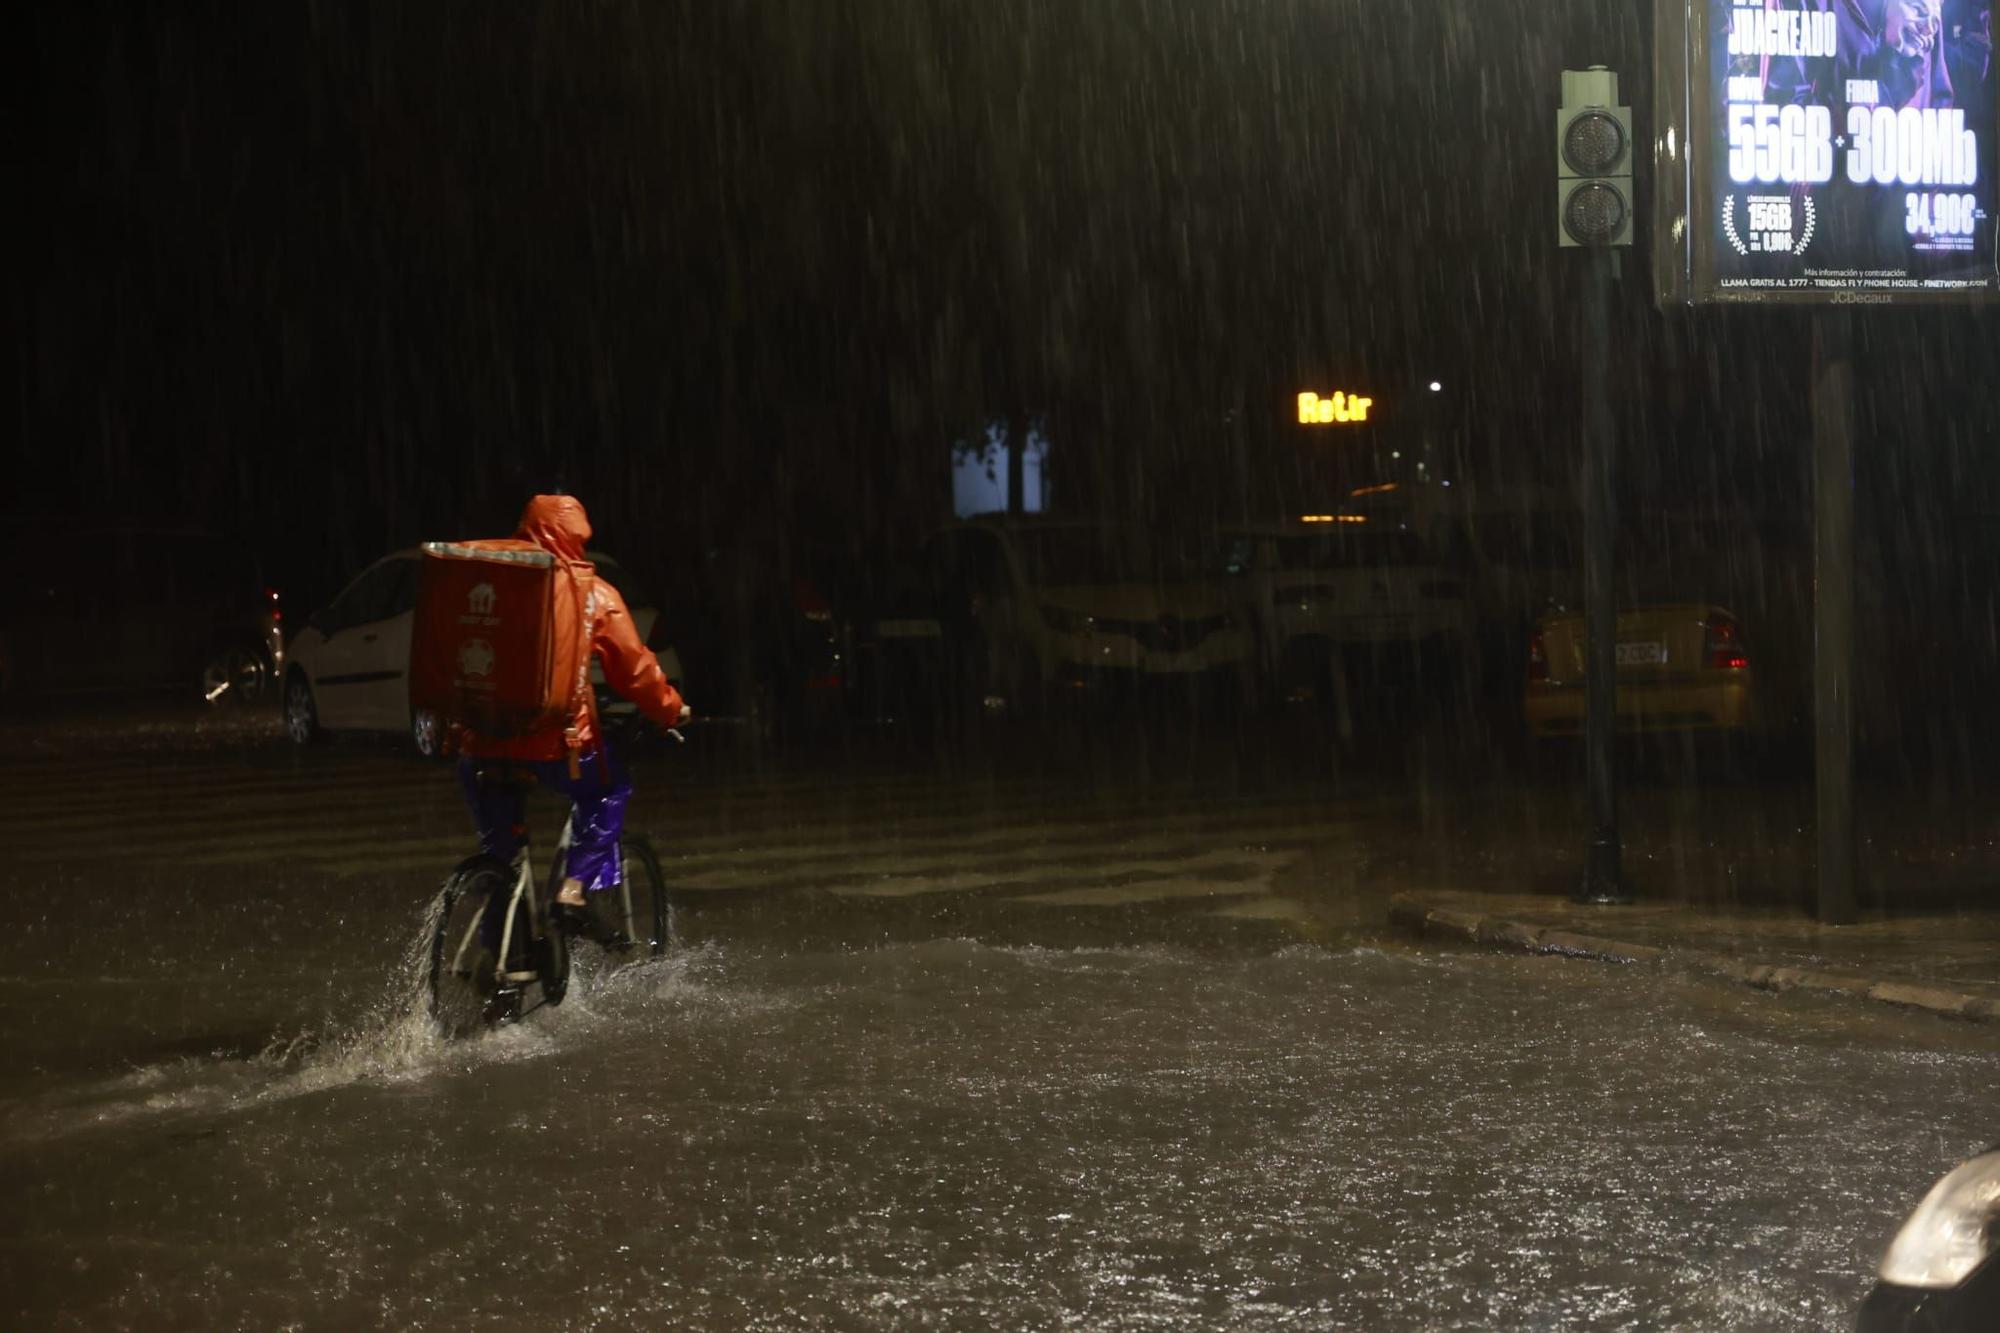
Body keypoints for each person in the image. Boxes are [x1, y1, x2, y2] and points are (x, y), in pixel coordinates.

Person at [453, 494, 690, 935]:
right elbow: (635, 670)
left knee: (499, 853)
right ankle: (573, 890)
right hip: (554, 745)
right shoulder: (589, 592)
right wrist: (671, 710)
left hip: (479, 742)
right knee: (609, 790)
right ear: (577, 538)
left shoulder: (486, 579)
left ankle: (501, 959)